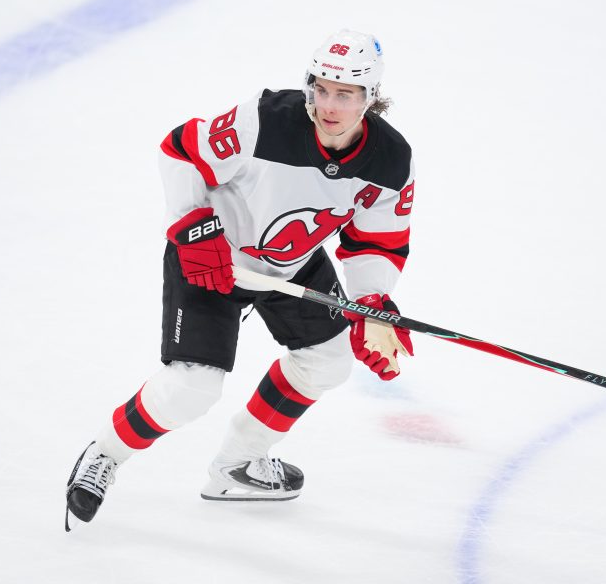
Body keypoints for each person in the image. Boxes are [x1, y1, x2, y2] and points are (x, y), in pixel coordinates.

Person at [64, 29, 416, 530]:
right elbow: (181, 150)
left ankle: (238, 464)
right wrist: (192, 226)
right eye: (320, 88)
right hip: (211, 257)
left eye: (345, 94)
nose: (327, 105)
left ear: (370, 96)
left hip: (292, 265)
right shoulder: (265, 121)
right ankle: (104, 453)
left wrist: (372, 302)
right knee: (192, 389)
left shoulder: (391, 161)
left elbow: (376, 242)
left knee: (329, 360)